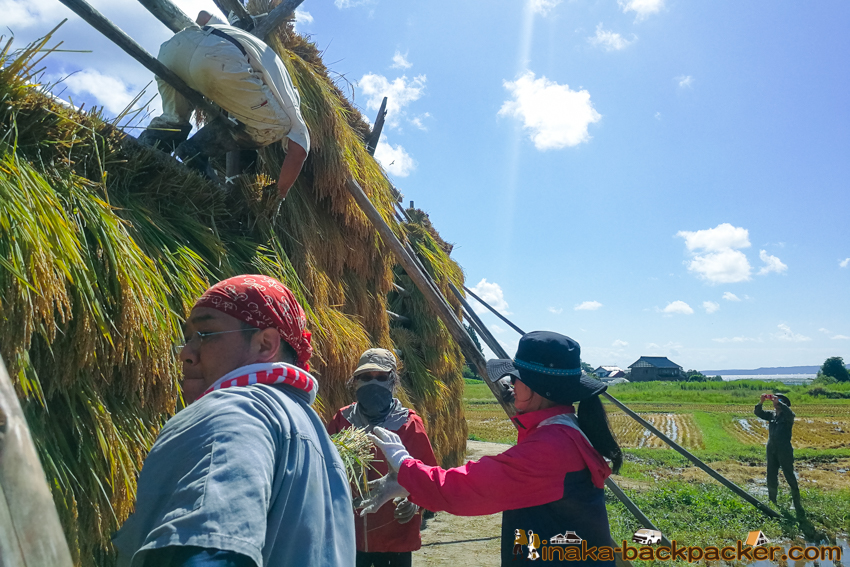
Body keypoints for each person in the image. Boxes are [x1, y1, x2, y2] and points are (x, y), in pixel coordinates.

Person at [113, 274, 355, 567]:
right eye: (187, 338)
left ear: (265, 344)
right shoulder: (316, 438)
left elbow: (209, 552)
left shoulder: (234, 411)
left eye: (205, 334)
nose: (186, 354)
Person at [360, 331, 623, 566]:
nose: (510, 386)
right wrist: (409, 485)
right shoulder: (562, 430)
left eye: (515, 379)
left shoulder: (551, 446)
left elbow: (468, 488)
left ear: (532, 390)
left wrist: (404, 464)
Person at [138, 11, 309, 197]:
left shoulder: (247, 41)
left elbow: (203, 16)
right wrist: (279, 193)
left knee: (174, 118)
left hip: (175, 48)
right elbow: (299, 152)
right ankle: (196, 150)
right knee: (277, 126)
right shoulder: (292, 107)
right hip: (218, 61)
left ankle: (148, 146)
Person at [327, 348, 438, 567]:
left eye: (381, 377)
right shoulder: (343, 420)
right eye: (366, 377)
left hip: (395, 534)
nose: (373, 383)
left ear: (392, 381)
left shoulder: (408, 424)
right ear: (355, 381)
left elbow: (427, 477)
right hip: (353, 534)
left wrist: (414, 504)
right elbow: (327, 468)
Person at [755, 393, 803, 513]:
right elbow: (758, 413)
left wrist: (779, 402)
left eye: (779, 400)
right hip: (771, 448)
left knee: (789, 474)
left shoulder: (787, 417)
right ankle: (772, 500)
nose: (775, 402)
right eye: (775, 399)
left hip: (784, 449)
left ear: (784, 404)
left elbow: (791, 413)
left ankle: (797, 503)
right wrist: (761, 402)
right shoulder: (771, 415)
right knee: (771, 474)